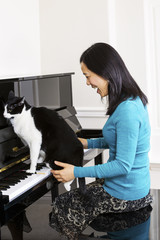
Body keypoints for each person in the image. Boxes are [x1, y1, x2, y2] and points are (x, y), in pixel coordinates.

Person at [49, 43, 153, 240]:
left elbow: (122, 165)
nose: (87, 83)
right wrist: (88, 143)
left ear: (105, 72)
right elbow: (119, 141)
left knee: (61, 205)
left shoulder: (127, 111)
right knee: (80, 194)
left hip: (127, 195)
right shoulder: (132, 100)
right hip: (133, 187)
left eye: (87, 76)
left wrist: (75, 172)